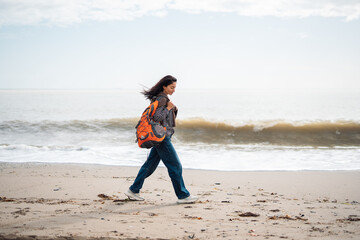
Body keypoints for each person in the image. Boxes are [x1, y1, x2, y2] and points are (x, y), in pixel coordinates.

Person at [125, 75, 198, 204]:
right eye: (171, 87)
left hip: (160, 136)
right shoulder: (162, 99)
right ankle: (183, 195)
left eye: (175, 87)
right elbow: (157, 117)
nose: (174, 90)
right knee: (175, 166)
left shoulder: (160, 98)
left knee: (149, 165)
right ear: (164, 86)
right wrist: (169, 108)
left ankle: (133, 190)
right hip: (162, 138)